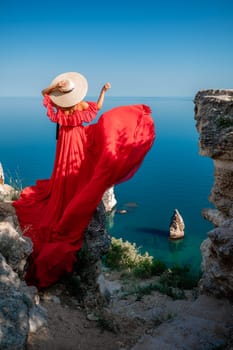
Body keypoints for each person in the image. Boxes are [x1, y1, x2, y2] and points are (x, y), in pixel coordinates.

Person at [13, 71, 155, 288]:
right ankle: (76, 185)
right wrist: (103, 92)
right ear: (76, 92)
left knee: (64, 169)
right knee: (78, 167)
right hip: (79, 139)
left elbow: (44, 96)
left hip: (65, 143)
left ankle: (65, 188)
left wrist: (52, 90)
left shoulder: (60, 111)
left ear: (61, 94)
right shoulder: (80, 107)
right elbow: (97, 109)